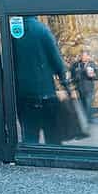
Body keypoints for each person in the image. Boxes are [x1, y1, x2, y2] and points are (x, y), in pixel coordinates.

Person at [12, 17, 69, 145]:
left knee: (30, 136)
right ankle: (53, 161)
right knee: (53, 136)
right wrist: (64, 81)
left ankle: (31, 162)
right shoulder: (43, 30)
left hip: (24, 93)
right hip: (46, 92)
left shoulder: (14, 33)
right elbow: (57, 61)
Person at [70, 50, 98, 121]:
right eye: (82, 56)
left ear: (88, 56)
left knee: (88, 104)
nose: (83, 57)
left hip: (89, 89)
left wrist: (92, 75)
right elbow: (72, 76)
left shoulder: (92, 65)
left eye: (84, 56)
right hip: (80, 89)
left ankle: (88, 120)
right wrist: (74, 79)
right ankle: (85, 120)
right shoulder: (76, 65)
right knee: (82, 105)